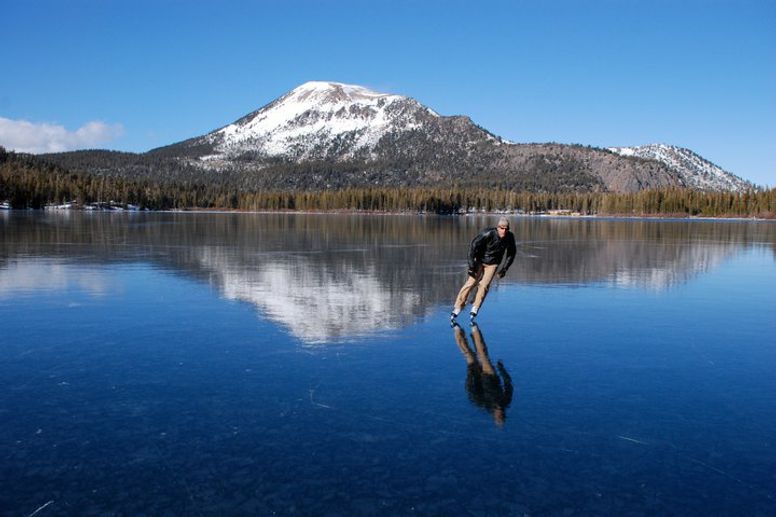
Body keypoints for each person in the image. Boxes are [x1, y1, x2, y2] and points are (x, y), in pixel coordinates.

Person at [451, 217, 516, 322]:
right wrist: (472, 265)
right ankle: (458, 306)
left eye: (506, 229)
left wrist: (504, 269)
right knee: (471, 282)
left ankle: (475, 307)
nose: (504, 231)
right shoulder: (488, 233)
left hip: (493, 264)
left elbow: (511, 254)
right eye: (502, 228)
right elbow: (473, 246)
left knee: (484, 285)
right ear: (498, 227)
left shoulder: (510, 237)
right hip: (480, 260)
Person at [452, 322, 513, 427]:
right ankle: (474, 329)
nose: (501, 413)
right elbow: (508, 384)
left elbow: (470, 390)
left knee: (468, 354)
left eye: (499, 416)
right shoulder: (505, 401)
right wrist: (501, 369)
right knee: (483, 354)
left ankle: (457, 330)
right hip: (490, 376)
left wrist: (472, 375)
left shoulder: (483, 404)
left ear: (494, 415)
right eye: (502, 415)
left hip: (476, 378)